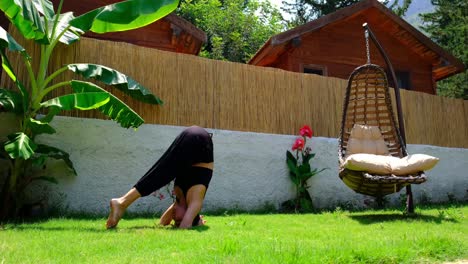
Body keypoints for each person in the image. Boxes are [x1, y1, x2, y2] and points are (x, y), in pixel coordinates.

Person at [106, 125, 214, 229]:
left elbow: (162, 222)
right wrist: (197, 222)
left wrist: (187, 217)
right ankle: (122, 202)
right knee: (161, 172)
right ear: (190, 213)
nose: (174, 218)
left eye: (174, 221)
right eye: (177, 220)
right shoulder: (195, 202)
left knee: (161, 173)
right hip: (201, 144)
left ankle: (122, 202)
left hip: (189, 137)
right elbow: (185, 226)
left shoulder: (180, 202)